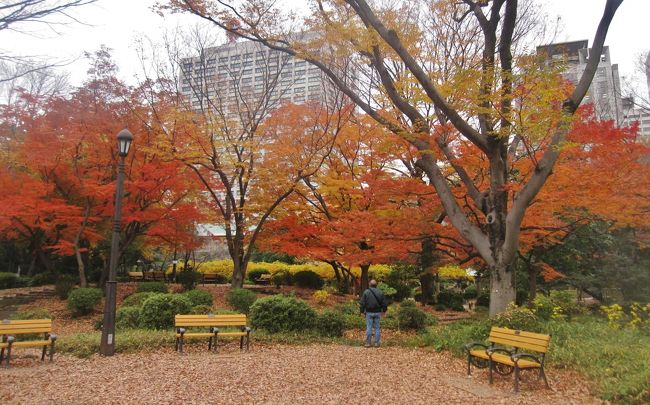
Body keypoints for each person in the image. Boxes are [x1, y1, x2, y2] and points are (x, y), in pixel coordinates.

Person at [359, 279, 388, 348]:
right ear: (376, 285)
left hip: (369, 313)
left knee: (369, 327)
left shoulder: (366, 292)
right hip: (377, 313)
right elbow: (384, 303)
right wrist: (384, 311)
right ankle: (376, 343)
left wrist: (362, 311)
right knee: (377, 328)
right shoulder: (380, 292)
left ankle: (368, 343)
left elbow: (362, 303)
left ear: (369, 284)